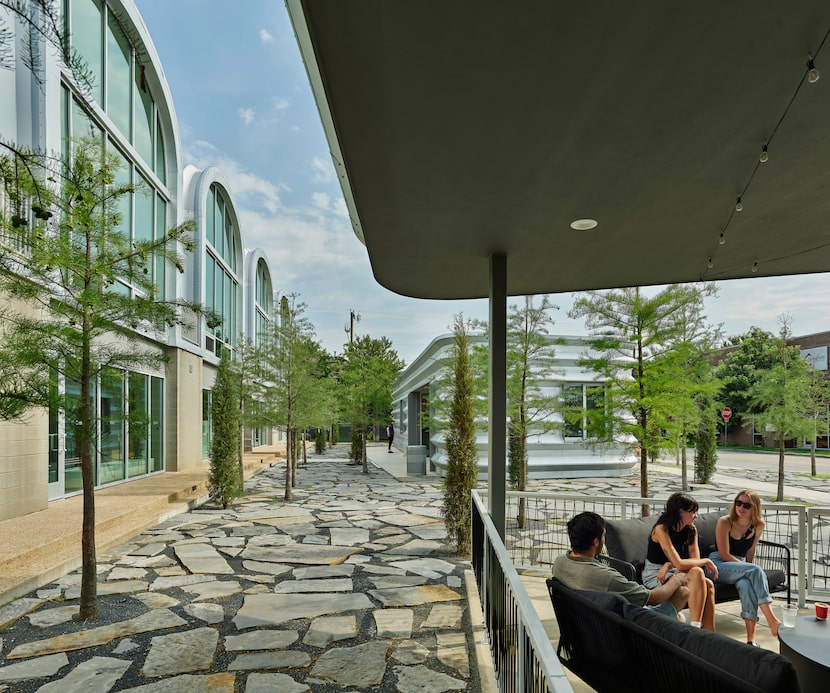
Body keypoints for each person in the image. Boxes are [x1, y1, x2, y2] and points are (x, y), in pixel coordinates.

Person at [552, 511, 689, 620]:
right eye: (603, 536)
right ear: (595, 541)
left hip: (587, 625)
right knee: (683, 592)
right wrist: (677, 579)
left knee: (680, 614)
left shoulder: (559, 563)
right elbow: (653, 598)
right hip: (627, 633)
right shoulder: (606, 578)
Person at [710, 489, 781, 646]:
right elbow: (724, 554)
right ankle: (771, 620)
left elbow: (751, 549)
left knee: (746, 585)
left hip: (740, 565)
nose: (741, 508)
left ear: (754, 508)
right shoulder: (725, 521)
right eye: (738, 503)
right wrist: (748, 568)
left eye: (746, 505)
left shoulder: (758, 525)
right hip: (718, 564)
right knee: (754, 570)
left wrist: (747, 566)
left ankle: (751, 640)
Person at [643, 492, 718, 631]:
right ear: (681, 512)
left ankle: (708, 632)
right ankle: (696, 631)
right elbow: (684, 563)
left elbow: (694, 560)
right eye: (693, 512)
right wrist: (705, 560)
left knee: (706, 582)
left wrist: (670, 564)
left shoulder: (691, 530)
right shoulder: (661, 529)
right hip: (655, 573)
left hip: (676, 570)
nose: (696, 516)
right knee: (702, 578)